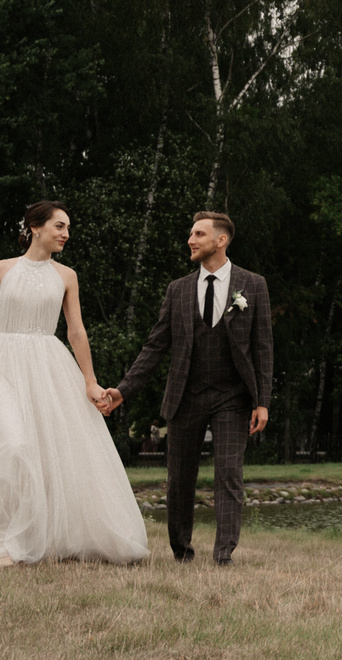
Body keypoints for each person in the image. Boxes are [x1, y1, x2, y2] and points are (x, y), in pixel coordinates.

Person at [0, 202, 149, 566]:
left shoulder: (67, 276)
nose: (66, 234)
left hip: (49, 366)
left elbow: (76, 331)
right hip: (5, 364)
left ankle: (30, 541)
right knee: (13, 445)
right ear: (35, 227)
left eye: (68, 227)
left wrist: (90, 381)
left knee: (47, 452)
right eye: (59, 226)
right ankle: (4, 540)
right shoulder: (1, 270)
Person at [103, 212, 274, 565]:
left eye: (198, 234)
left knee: (229, 474)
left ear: (221, 240)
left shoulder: (253, 284)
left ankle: (223, 555)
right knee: (179, 478)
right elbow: (154, 347)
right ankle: (182, 551)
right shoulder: (178, 290)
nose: (190, 240)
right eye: (191, 234)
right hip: (185, 396)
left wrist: (263, 401)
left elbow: (263, 348)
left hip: (233, 397)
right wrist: (124, 389)